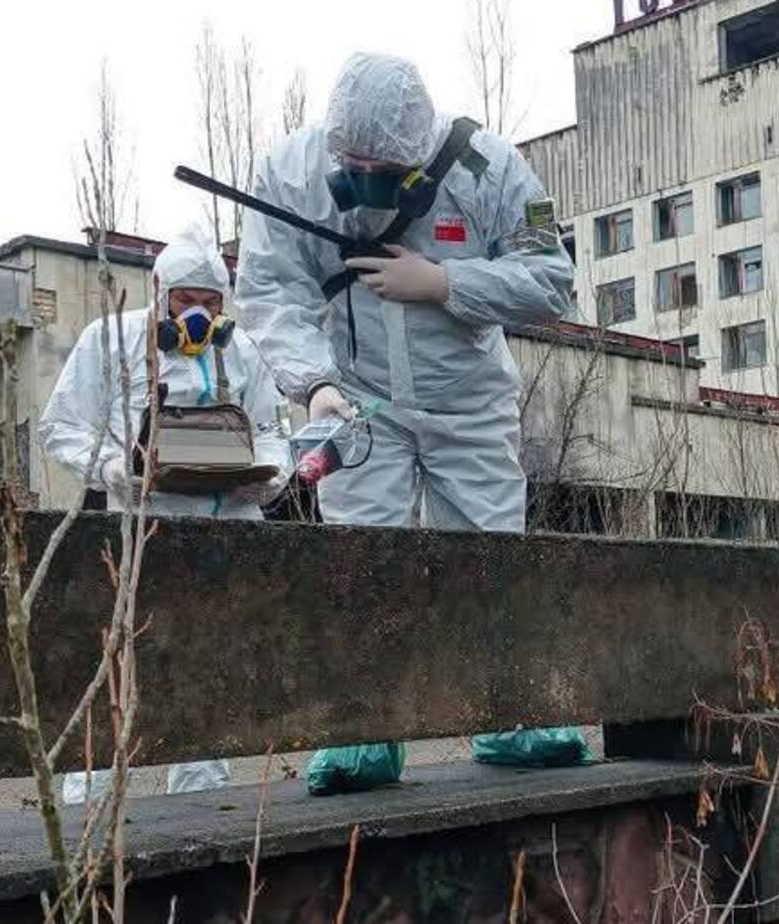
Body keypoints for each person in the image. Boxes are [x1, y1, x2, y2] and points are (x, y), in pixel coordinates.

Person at [235, 52, 583, 792]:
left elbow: (552, 275)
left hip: (466, 401)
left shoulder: (489, 169)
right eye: (351, 164)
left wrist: (447, 283)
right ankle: (364, 730)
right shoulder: (293, 173)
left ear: (417, 156)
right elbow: (269, 289)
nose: (363, 180)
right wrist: (315, 383)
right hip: (358, 401)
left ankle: (509, 715)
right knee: (363, 562)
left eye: (383, 169)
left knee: (489, 556)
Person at [41, 226, 289, 802]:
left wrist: (269, 477)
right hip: (139, 534)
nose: (199, 315)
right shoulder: (111, 340)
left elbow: (275, 430)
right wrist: (109, 468)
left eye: (210, 303)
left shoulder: (241, 351)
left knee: (210, 668)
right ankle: (88, 806)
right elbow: (62, 425)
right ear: (159, 292)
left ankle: (200, 803)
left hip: (224, 536)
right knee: (120, 668)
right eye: (186, 302)